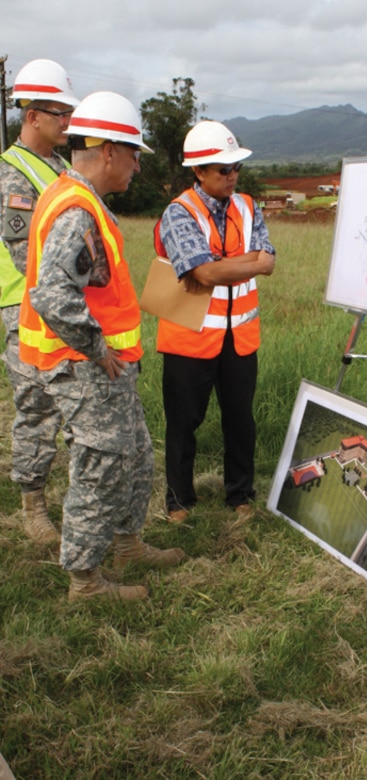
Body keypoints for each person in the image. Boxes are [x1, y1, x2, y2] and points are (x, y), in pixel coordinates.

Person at [19, 91, 186, 602]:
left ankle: (127, 543)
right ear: (109, 150)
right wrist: (98, 348)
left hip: (104, 368)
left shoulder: (81, 197)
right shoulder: (76, 208)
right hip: (85, 367)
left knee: (134, 453)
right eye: (135, 154)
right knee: (100, 466)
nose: (138, 166)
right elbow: (50, 293)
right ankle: (85, 581)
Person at [154, 120, 275, 523]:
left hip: (239, 336)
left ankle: (240, 493)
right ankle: (178, 500)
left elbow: (268, 261)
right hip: (190, 337)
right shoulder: (178, 213)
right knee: (183, 423)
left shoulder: (248, 206)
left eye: (236, 167)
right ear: (199, 172)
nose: (233, 176)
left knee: (241, 420)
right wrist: (245, 263)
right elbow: (202, 274)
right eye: (224, 169)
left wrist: (218, 265)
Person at [0, 59, 79, 545]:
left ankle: (78, 502)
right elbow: (28, 253)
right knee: (35, 407)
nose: (68, 122)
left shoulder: (63, 167)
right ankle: (32, 504)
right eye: (59, 113)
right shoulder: (11, 173)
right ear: (31, 115)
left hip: (65, 307)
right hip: (24, 310)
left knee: (71, 404)